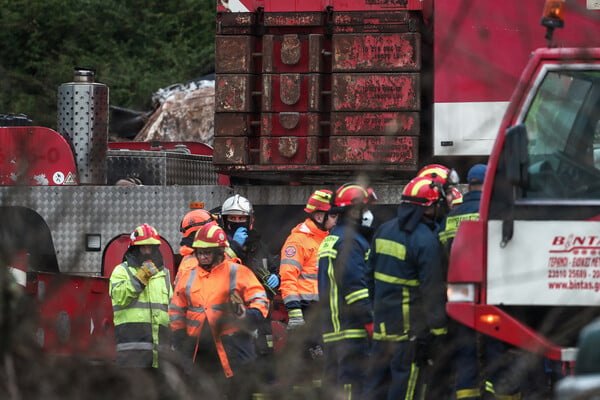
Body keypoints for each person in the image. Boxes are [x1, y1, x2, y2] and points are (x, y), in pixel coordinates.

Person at [438, 164, 521, 400]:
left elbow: (442, 258)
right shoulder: (495, 212)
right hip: (493, 293)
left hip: (460, 296)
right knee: (498, 348)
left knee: (465, 351)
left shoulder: (450, 219)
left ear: (469, 185)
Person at [363, 177, 448, 400]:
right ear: (428, 207)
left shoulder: (383, 230)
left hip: (382, 330)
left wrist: (375, 312)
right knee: (407, 388)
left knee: (376, 387)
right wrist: (438, 333)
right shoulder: (426, 240)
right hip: (410, 335)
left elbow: (369, 277)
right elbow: (432, 292)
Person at [169, 222, 270, 398]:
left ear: (219, 252)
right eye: (199, 252)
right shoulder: (189, 275)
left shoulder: (237, 272)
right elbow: (177, 308)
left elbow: (260, 300)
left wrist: (249, 316)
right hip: (198, 349)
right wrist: (178, 336)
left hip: (233, 348)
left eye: (207, 252)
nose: (202, 257)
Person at [317, 183, 373, 399]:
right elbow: (355, 287)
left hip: (333, 328)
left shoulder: (332, 237)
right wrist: (369, 321)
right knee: (352, 387)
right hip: (351, 329)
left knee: (334, 385)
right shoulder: (350, 241)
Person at [278, 189, 338, 390]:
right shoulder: (298, 241)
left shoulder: (325, 237)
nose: (337, 219)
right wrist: (295, 315)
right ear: (319, 216)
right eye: (334, 215)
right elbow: (288, 277)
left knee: (323, 365)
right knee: (307, 365)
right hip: (305, 312)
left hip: (321, 312)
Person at [219, 194, 280, 388]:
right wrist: (234, 247)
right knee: (240, 375)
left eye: (241, 218)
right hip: (235, 322)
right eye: (232, 218)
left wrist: (277, 277)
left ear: (250, 219)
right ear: (224, 220)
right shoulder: (220, 247)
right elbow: (217, 273)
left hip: (262, 320)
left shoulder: (258, 245)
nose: (237, 222)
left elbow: (274, 266)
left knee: (266, 366)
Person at [109, 223, 172, 368]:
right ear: (134, 249)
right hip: (131, 355)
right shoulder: (121, 271)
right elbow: (120, 297)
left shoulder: (164, 275)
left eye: (151, 247)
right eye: (143, 247)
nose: (148, 251)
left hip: (160, 358)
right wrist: (142, 276)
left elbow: (171, 311)